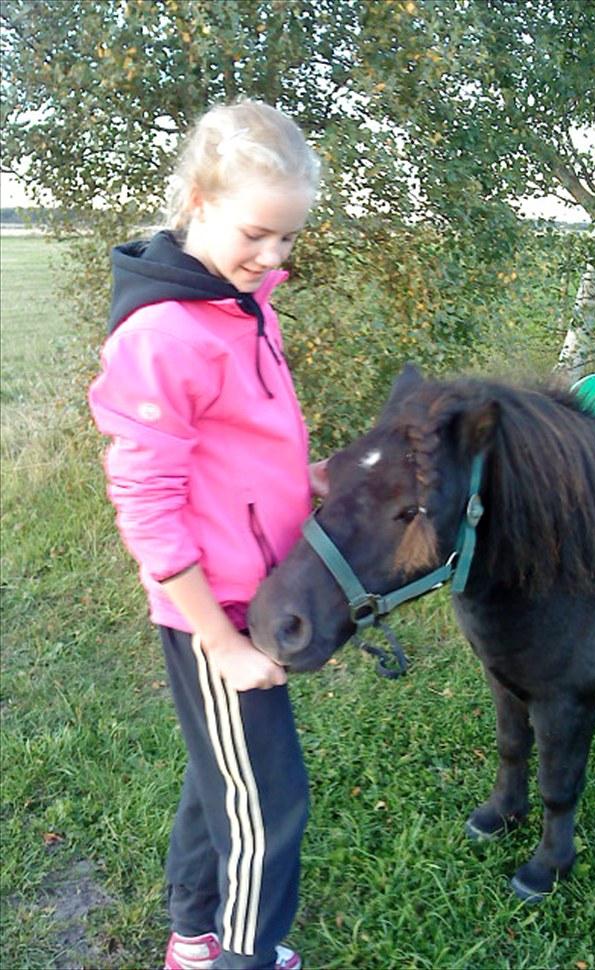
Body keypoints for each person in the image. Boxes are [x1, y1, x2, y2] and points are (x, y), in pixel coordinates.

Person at [88, 100, 327, 970]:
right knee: (268, 802)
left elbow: (244, 449)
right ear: (197, 199)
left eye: (288, 241)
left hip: (259, 588)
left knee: (217, 775)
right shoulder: (163, 335)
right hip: (213, 608)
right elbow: (148, 505)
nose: (272, 258)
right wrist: (221, 640)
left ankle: (194, 936)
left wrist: (309, 485)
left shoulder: (241, 302)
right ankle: (243, 957)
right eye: (257, 234)